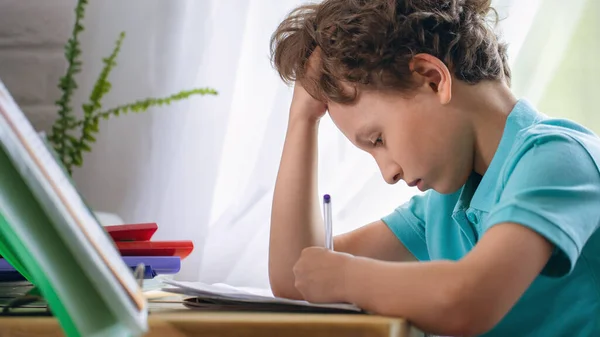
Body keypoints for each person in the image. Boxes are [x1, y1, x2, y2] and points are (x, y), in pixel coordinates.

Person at [267, 0, 600, 336]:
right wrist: (302, 119)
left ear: (432, 79)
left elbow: (468, 300)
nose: (388, 173)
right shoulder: (446, 205)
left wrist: (343, 277)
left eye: (378, 139)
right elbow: (295, 277)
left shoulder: (557, 157)